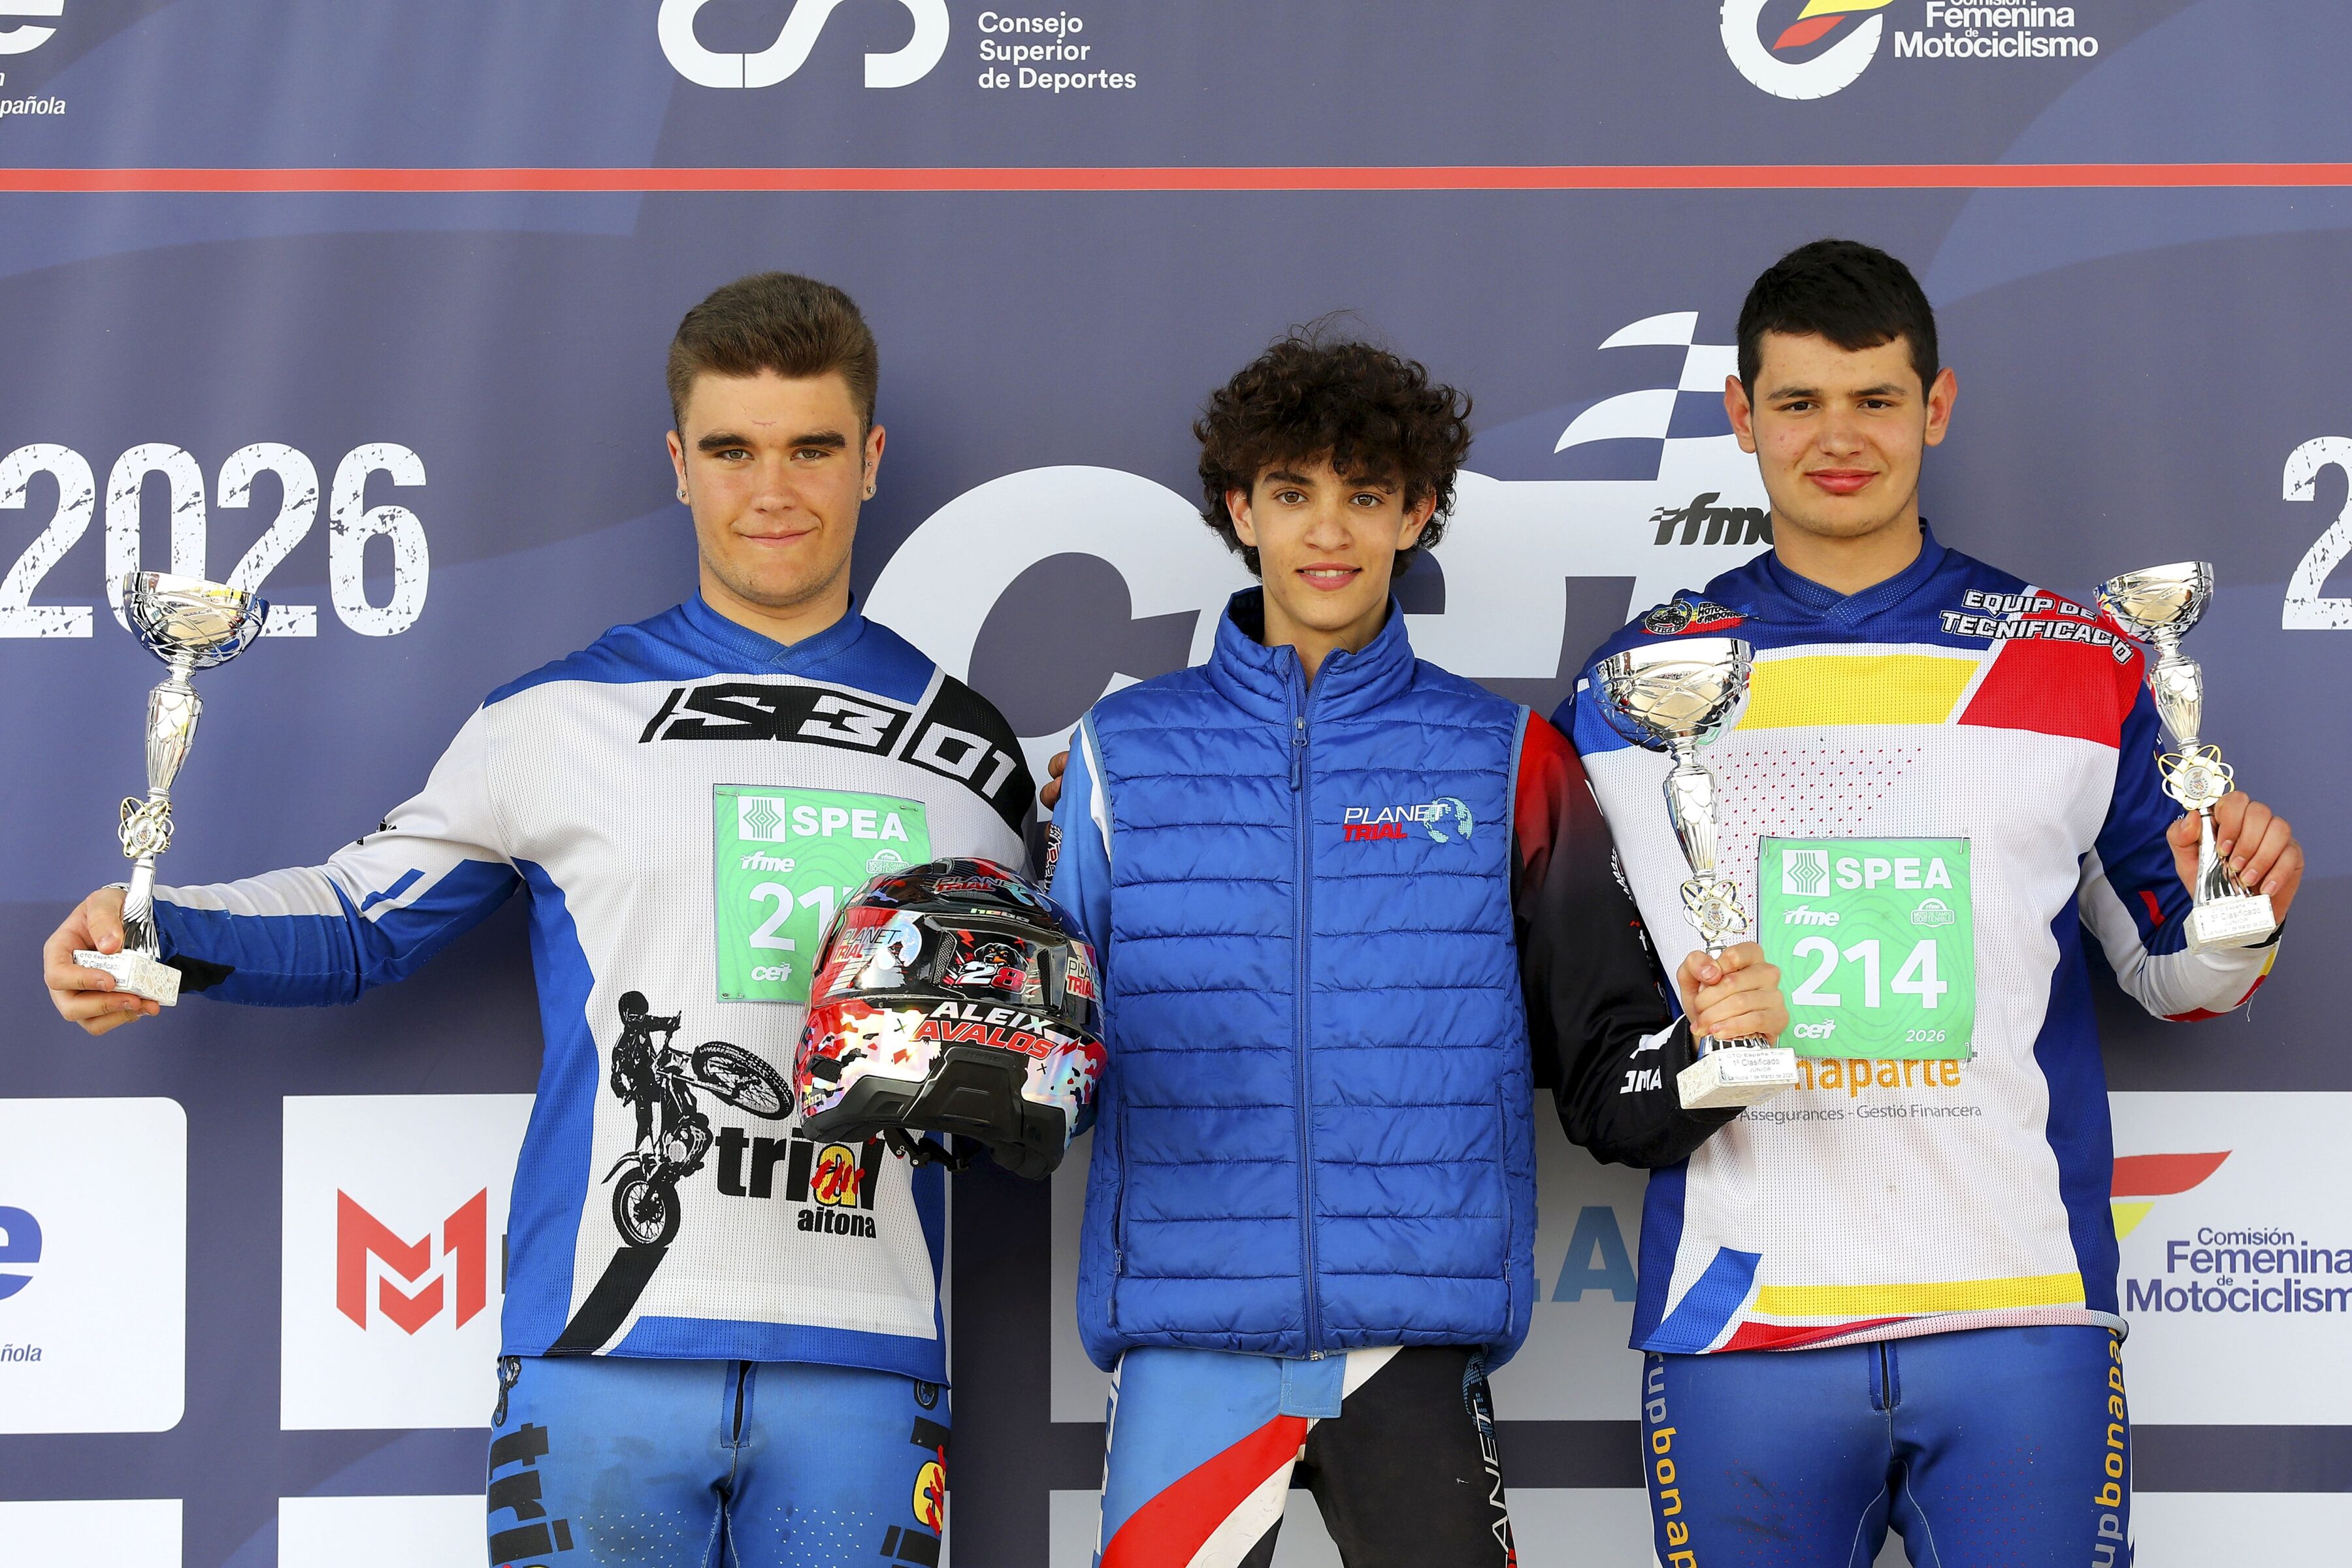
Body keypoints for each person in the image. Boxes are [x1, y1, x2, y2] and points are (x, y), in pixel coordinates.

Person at [42, 273, 1031, 1567]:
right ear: (678, 464)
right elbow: (363, 918)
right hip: (603, 1349)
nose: (772, 491)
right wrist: (164, 937)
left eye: (811, 449)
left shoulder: (979, 760)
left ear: (872, 459)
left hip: (869, 1353)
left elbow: (1040, 1051)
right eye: (731, 451)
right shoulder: (557, 716)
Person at [1556, 239, 2303, 1567]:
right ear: (1741, 415)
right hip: (1746, 1326)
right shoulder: (1634, 692)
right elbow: (1598, 1040)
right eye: (1798, 402)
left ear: (1936, 408)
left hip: (2020, 1311)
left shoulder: (2079, 660)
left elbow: (2178, 979)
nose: (1838, 438)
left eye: (1876, 400)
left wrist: (2239, 910)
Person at [1043, 327, 1788, 1567]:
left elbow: (1611, 1078)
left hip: (1413, 1347)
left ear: (1417, 512)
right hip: (1186, 1343)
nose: (1328, 532)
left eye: (1366, 495)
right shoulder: (1121, 753)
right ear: (1241, 510)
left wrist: (1709, 1054)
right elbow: (1050, 1060)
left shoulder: (1505, 758)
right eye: (1293, 494)